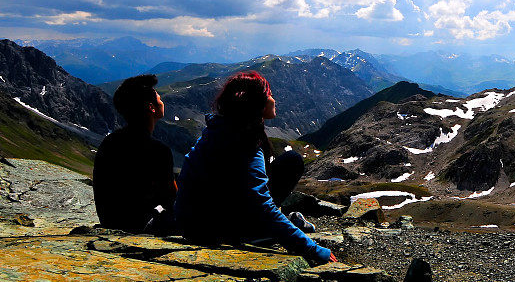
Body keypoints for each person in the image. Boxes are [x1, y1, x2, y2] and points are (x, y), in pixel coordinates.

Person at [174, 71, 336, 263]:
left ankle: (266, 226)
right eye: (269, 95)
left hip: (193, 222)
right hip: (215, 229)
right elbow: (261, 203)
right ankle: (257, 233)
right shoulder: (244, 142)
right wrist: (310, 248)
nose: (274, 99)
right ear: (256, 104)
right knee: (292, 161)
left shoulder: (218, 130)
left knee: (290, 161)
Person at [93, 74, 176, 233]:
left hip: (110, 221)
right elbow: (171, 196)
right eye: (159, 99)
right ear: (151, 107)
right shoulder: (158, 150)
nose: (162, 101)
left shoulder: (109, 143)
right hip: (142, 226)